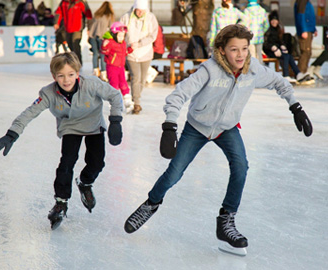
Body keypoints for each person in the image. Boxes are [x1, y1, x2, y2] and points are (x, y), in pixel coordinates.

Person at [124, 24, 313, 256]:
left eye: (244, 48)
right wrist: (170, 126)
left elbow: (279, 82)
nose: (241, 54)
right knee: (174, 173)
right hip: (197, 127)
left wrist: (296, 107)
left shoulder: (252, 69)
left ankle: (226, 221)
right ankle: (151, 203)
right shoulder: (209, 70)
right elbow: (178, 94)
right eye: (234, 49)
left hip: (227, 128)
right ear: (222, 50)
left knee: (241, 167)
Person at [0, 52, 123, 230]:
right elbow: (30, 112)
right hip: (70, 127)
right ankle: (61, 202)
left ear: (77, 73)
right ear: (54, 76)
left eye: (70, 74)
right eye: (61, 76)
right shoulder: (48, 93)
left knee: (97, 163)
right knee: (66, 163)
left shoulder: (91, 84)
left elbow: (115, 95)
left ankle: (85, 182)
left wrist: (115, 120)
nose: (66, 80)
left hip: (93, 126)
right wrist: (12, 133)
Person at [120, 0, 158, 114]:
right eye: (138, 10)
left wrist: (140, 43)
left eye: (142, 11)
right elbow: (119, 31)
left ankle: (135, 96)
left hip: (146, 52)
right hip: (131, 53)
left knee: (142, 79)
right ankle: (136, 103)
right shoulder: (126, 17)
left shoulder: (151, 18)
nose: (140, 13)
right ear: (134, 8)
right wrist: (125, 44)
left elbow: (153, 35)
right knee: (135, 77)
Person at [264, 10, 311, 84]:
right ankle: (286, 75)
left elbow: (279, 40)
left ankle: (298, 73)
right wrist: (273, 48)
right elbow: (266, 43)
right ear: (270, 21)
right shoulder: (268, 30)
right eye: (272, 20)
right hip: (270, 51)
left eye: (275, 20)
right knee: (285, 56)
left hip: (277, 50)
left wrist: (283, 46)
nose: (274, 22)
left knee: (289, 56)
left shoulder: (278, 29)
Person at [101, 22, 135, 113]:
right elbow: (105, 52)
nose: (121, 38)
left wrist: (130, 49)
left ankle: (127, 101)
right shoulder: (110, 43)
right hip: (112, 67)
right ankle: (114, 103)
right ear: (114, 35)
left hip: (121, 67)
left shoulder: (123, 43)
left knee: (123, 84)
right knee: (114, 85)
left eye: (123, 36)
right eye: (119, 36)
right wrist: (104, 45)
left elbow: (124, 53)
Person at [54, 0, 93, 65]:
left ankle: (78, 62)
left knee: (75, 43)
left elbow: (88, 14)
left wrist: (89, 27)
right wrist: (56, 22)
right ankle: (74, 60)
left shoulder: (80, 3)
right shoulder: (64, 2)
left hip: (78, 28)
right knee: (69, 44)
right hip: (67, 27)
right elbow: (58, 12)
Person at [88, 1, 114, 80]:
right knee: (103, 55)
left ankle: (95, 70)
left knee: (95, 54)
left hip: (92, 36)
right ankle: (103, 72)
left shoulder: (97, 14)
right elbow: (111, 27)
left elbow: (91, 25)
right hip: (102, 37)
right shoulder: (109, 15)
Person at [294, 0, 317, 83]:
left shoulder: (307, 2)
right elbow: (301, 16)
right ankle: (300, 73)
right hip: (305, 30)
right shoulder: (302, 1)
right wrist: (303, 30)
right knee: (305, 51)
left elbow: (310, 16)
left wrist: (314, 29)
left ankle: (304, 71)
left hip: (309, 29)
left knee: (308, 52)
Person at [244, 0, 269, 65]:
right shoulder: (262, 10)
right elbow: (266, 25)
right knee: (259, 55)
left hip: (250, 37)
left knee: (252, 55)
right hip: (259, 36)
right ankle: (260, 72)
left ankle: (252, 72)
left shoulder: (247, 10)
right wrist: (262, 31)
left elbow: (245, 25)